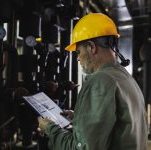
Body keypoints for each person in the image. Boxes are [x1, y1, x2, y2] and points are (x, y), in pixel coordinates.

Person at [38, 13, 148, 150]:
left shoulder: (100, 81)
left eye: (78, 52)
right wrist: (78, 118)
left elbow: (82, 148)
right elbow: (118, 125)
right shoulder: (124, 77)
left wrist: (49, 128)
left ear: (91, 47)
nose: (78, 59)